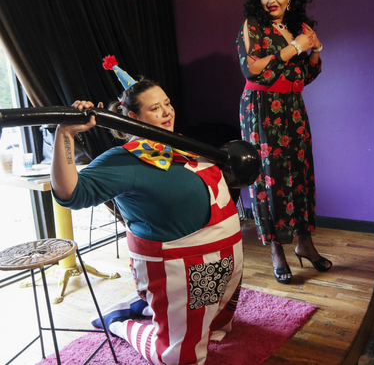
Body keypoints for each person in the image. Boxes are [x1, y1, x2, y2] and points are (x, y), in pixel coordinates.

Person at [51, 56, 243, 365]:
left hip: (225, 255)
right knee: (180, 357)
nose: (167, 112)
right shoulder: (122, 161)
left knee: (219, 325)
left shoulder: (179, 143)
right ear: (132, 116)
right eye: (156, 108)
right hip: (187, 266)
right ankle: (120, 323)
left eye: (167, 103)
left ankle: (155, 309)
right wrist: (66, 134)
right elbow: (70, 193)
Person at [236, 0, 330, 284]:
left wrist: (314, 49)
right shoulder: (253, 26)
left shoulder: (297, 26)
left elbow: (309, 73)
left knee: (301, 172)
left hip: (292, 106)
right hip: (260, 108)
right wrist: (295, 48)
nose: (272, 0)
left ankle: (305, 243)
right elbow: (252, 70)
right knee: (268, 177)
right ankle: (276, 249)